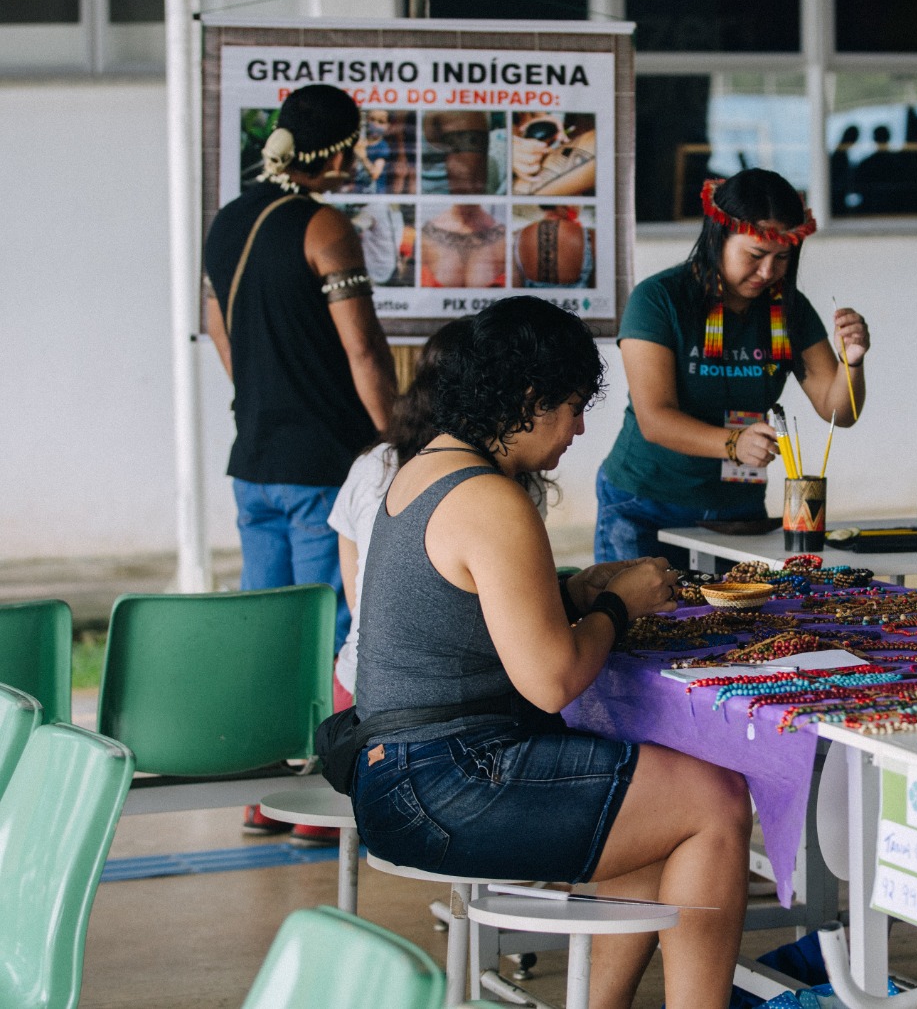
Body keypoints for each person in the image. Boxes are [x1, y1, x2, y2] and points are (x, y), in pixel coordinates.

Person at [353, 296, 750, 1007]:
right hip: (444, 781)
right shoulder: (488, 499)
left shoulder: (425, 469)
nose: (579, 427)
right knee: (715, 801)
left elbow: (475, 615)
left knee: (650, 790)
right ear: (530, 402)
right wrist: (618, 605)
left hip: (398, 773)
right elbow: (552, 680)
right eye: (571, 407)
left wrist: (581, 590)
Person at [203, 82, 398, 834]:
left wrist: (262, 393)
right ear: (338, 149)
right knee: (334, 629)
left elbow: (214, 324)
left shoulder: (227, 223)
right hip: (323, 463)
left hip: (253, 458)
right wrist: (396, 439)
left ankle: (263, 795)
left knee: (274, 629)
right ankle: (320, 802)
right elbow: (363, 348)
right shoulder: (324, 229)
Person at [596, 169, 871, 565]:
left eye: (781, 258)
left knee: (733, 624)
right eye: (755, 255)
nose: (767, 273)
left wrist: (853, 361)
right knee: (643, 625)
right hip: (645, 502)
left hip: (737, 512)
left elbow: (838, 413)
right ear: (717, 237)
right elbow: (654, 418)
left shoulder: (789, 309)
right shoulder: (658, 299)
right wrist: (733, 443)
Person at [326, 319, 551, 713]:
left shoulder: (376, 464)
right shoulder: (504, 488)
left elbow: (359, 592)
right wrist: (613, 610)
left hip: (358, 681)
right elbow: (547, 677)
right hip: (428, 705)